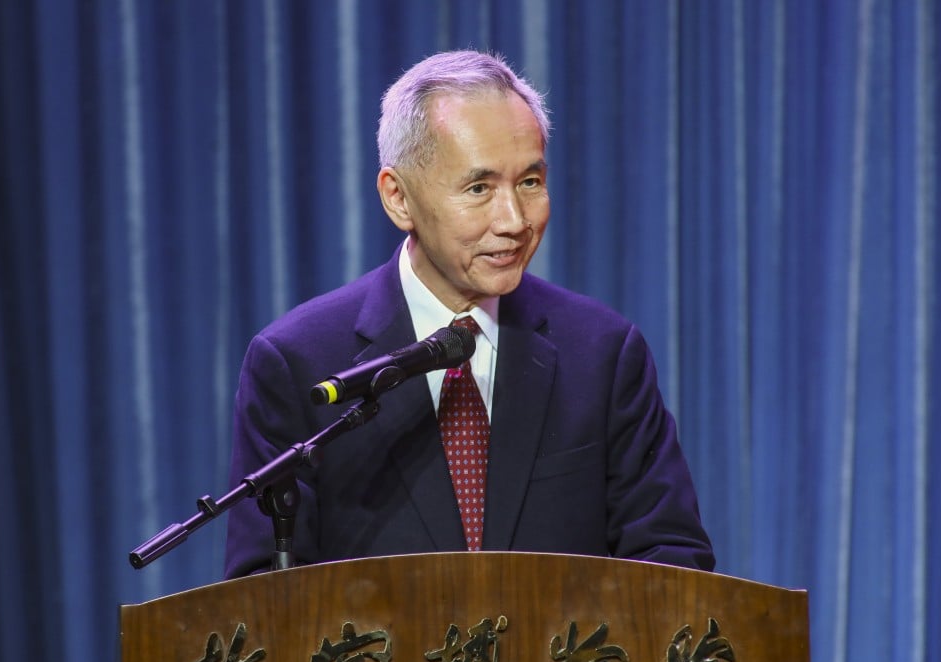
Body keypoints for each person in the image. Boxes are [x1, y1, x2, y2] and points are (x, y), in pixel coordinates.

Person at [224, 50, 714, 578]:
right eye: (479, 188)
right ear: (398, 198)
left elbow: (673, 565)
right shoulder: (299, 362)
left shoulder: (602, 354)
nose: (514, 220)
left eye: (530, 182)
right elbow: (261, 593)